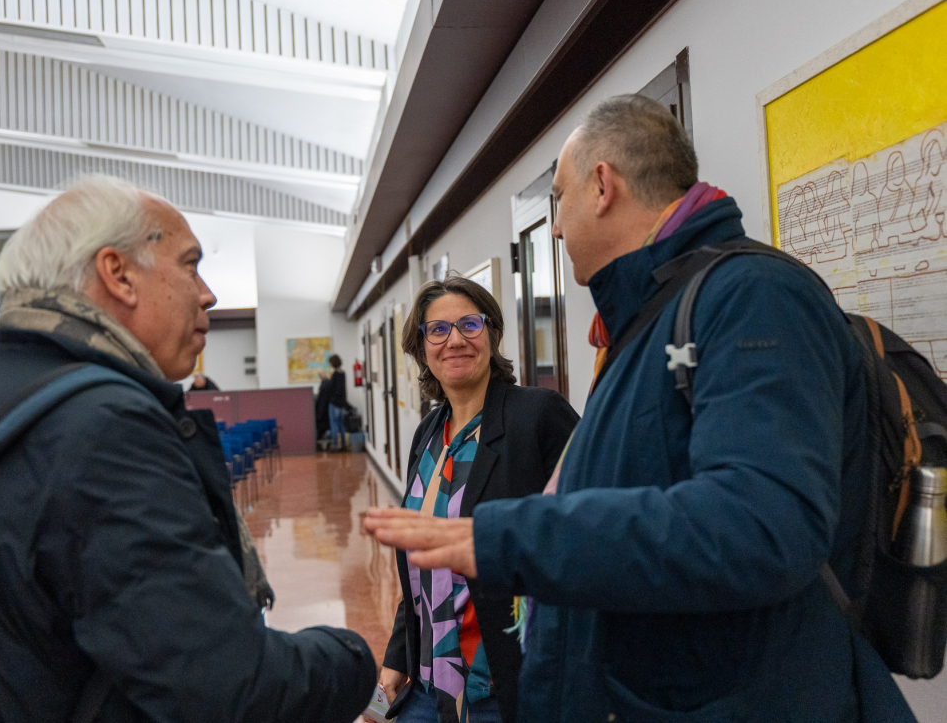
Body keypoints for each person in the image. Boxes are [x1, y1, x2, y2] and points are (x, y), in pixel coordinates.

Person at [366, 96, 916, 722]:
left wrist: (503, 538)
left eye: (559, 199)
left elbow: (760, 527)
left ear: (603, 186)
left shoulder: (754, 298)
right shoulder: (645, 322)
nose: (555, 228)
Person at [0, 175, 375, 722]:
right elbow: (226, 687)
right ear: (118, 274)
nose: (208, 293)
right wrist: (353, 657)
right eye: (190, 264)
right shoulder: (103, 427)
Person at [367, 277, 578, 723]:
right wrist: (397, 661)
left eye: (469, 324)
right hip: (428, 688)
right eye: (438, 330)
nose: (455, 340)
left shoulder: (539, 416)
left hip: (502, 686)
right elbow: (422, 568)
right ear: (422, 348)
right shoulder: (427, 435)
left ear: (492, 333)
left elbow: (584, 534)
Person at [327, 354, 349, 452]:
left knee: (334, 425)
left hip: (334, 403)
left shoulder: (335, 375)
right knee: (341, 425)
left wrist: (327, 379)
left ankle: (335, 446)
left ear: (333, 363)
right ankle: (343, 445)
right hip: (342, 403)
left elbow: (331, 388)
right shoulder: (343, 373)